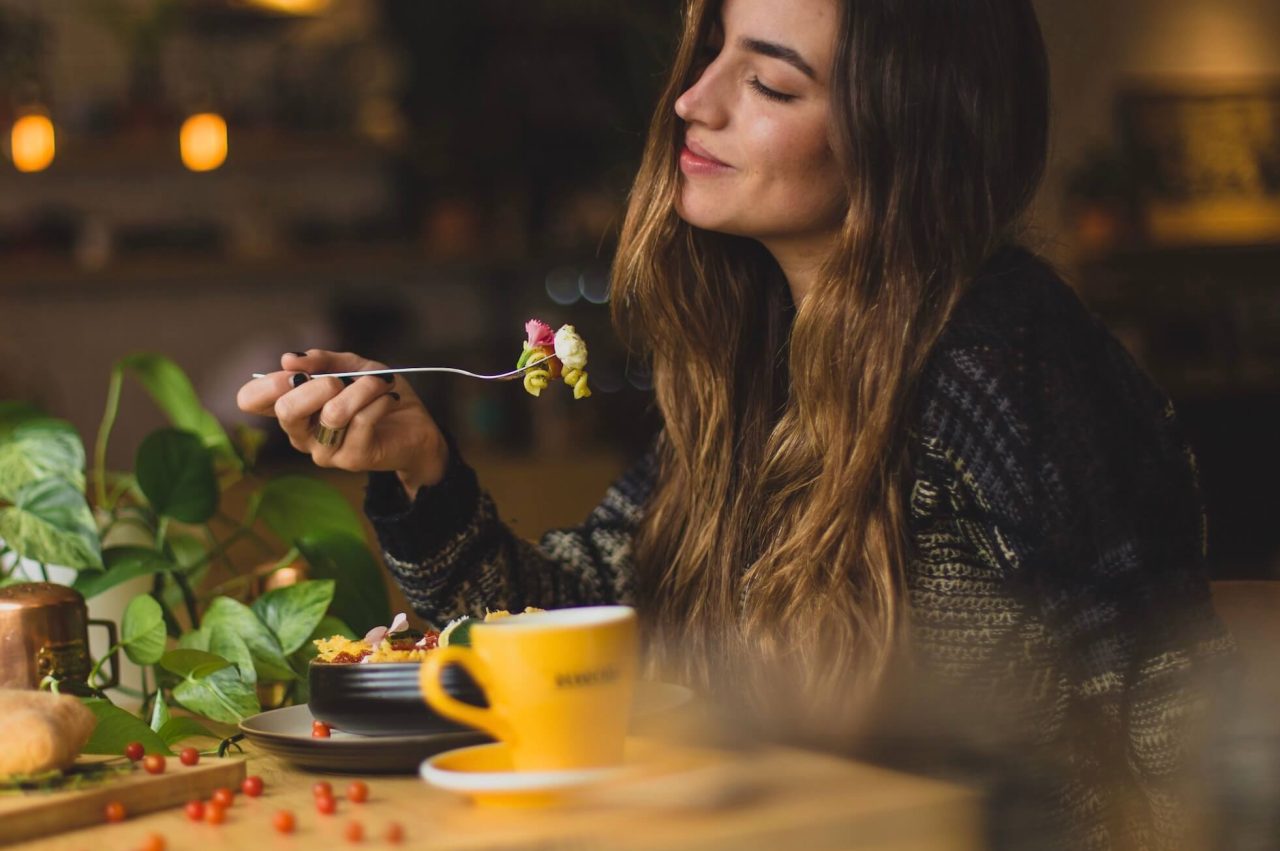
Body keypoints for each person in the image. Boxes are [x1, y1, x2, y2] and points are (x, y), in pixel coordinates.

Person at [238, 0, 1232, 847]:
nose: (689, 99)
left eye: (769, 84)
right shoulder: (769, 362)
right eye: (713, 47)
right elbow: (586, 621)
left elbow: (1161, 733)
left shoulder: (1001, 371)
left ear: (903, 136)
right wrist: (421, 467)